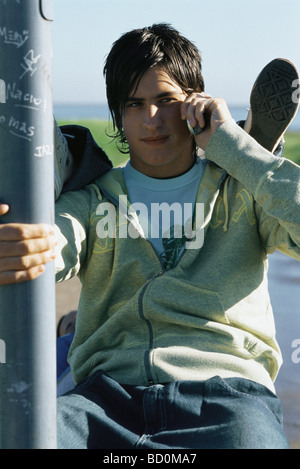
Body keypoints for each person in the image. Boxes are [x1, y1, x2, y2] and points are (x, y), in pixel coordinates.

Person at [0, 24, 299, 449]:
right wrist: (34, 246)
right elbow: (57, 239)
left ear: (195, 104)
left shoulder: (241, 190)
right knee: (25, 438)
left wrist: (236, 150)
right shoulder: (94, 198)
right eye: (135, 104)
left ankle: (261, 146)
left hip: (227, 399)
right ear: (119, 114)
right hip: (103, 403)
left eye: (166, 101)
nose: (152, 119)